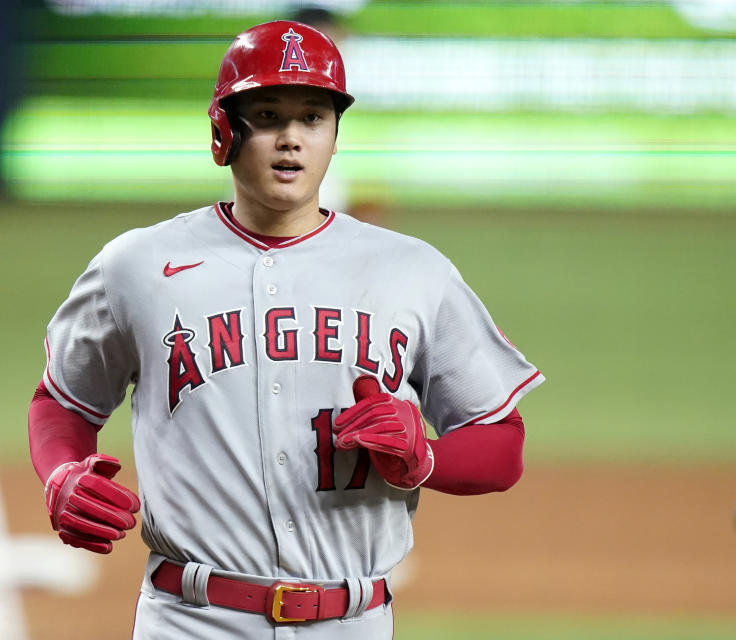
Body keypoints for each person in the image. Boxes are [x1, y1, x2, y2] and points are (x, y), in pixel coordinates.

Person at [28, 20, 544, 639]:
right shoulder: (137, 266)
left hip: (352, 622)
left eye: (313, 118)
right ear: (224, 131)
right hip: (192, 620)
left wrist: (425, 457)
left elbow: (501, 443)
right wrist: (63, 472)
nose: (291, 140)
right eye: (268, 115)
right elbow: (61, 402)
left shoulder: (412, 270)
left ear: (334, 134)